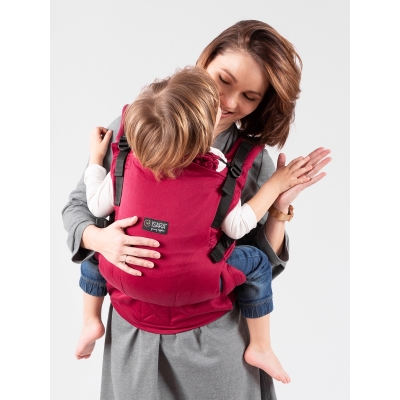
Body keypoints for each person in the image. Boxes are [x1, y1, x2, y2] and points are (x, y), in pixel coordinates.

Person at [62, 20, 331, 399]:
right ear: (204, 63)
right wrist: (101, 240)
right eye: (224, 80)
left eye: (249, 96)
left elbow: (261, 269)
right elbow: (78, 208)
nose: (230, 102)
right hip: (132, 338)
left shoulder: (250, 160)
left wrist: (278, 209)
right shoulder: (138, 124)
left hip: (216, 344)